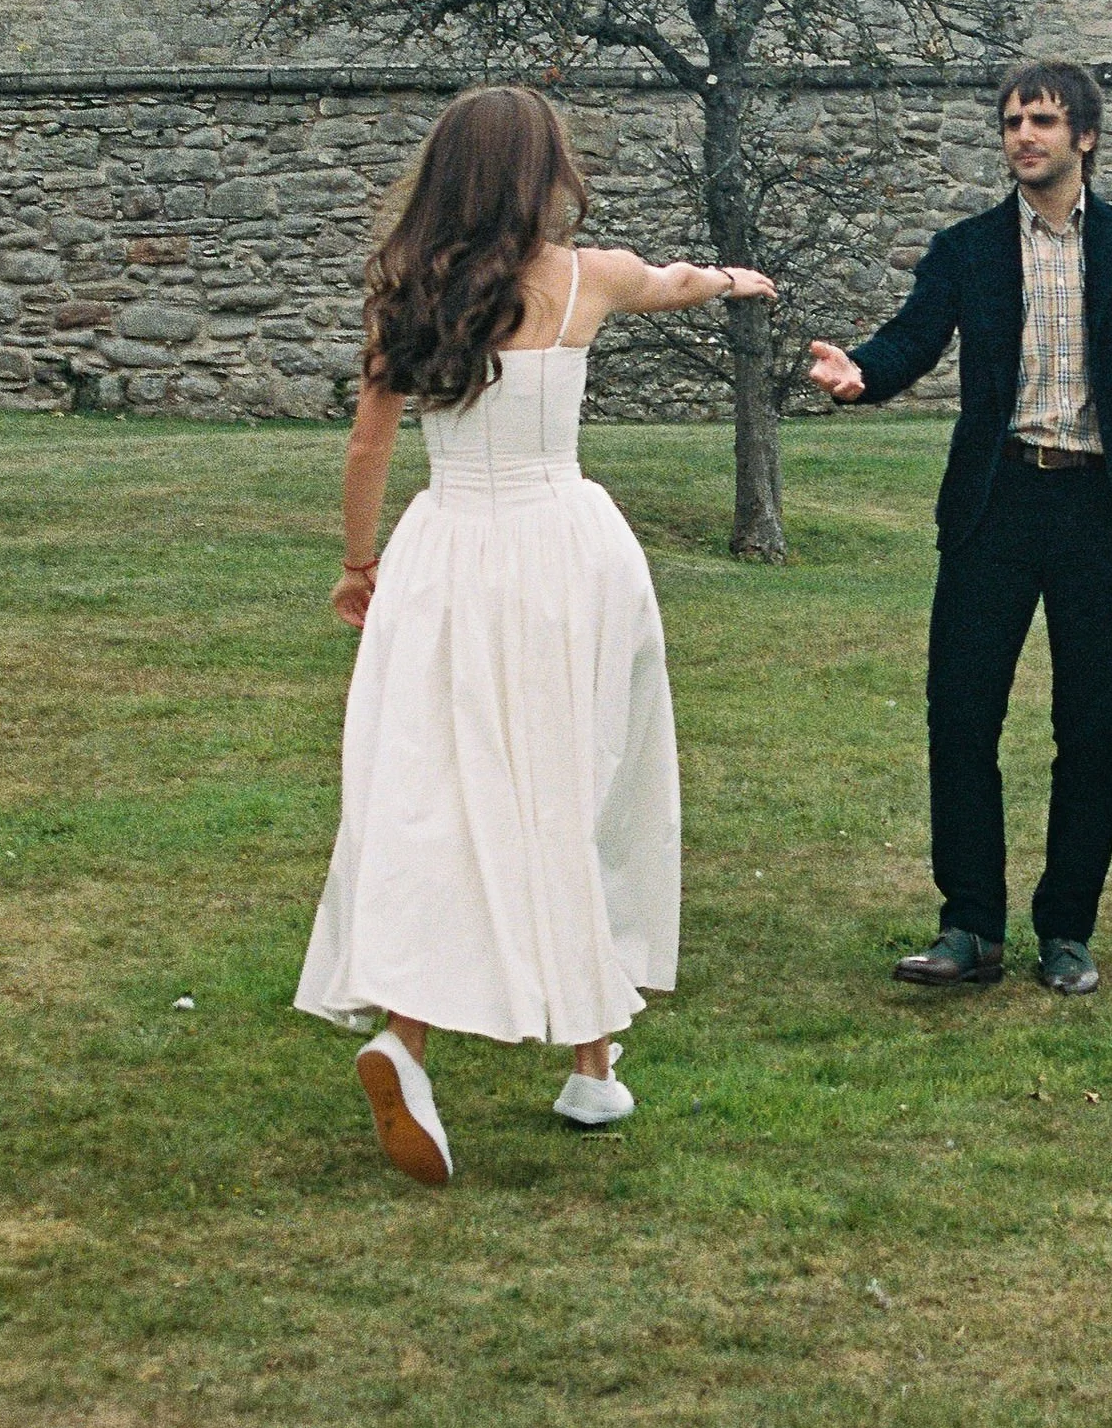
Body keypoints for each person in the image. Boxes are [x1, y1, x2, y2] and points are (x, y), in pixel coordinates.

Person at [295, 85, 775, 1183]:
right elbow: (670, 281)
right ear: (542, 169)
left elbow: (369, 447)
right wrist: (728, 279)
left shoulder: (406, 290)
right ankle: (589, 1059)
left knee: (434, 787)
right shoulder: (584, 276)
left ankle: (408, 1036)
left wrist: (359, 562)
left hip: (447, 551)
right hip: (566, 555)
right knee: (575, 780)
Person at [807, 61, 1112, 997]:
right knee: (960, 716)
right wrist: (862, 375)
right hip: (994, 504)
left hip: (1101, 508)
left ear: (1083, 135)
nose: (1023, 136)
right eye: (1011, 123)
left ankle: (1067, 932)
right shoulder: (967, 249)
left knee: (1092, 728)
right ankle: (970, 927)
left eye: (1042, 121)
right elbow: (912, 337)